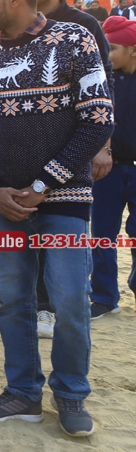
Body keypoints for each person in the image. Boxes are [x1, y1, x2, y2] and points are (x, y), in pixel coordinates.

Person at [0, 0, 112, 437]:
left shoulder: (75, 40)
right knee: (11, 300)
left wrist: (43, 185)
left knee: (69, 301)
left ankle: (70, 394)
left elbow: (98, 120)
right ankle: (23, 393)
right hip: (5, 206)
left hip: (65, 200)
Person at [91, 16, 136, 317]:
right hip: (106, 170)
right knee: (101, 235)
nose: (106, 55)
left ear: (133, 50)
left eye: (114, 48)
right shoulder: (101, 81)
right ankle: (104, 298)